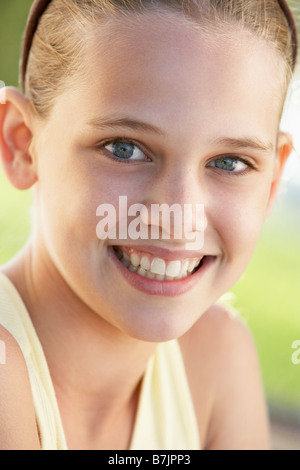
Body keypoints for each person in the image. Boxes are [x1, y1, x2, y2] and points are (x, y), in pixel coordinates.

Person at [0, 0, 297, 450]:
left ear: (272, 179)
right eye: (123, 148)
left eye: (229, 162)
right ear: (23, 145)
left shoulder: (217, 358)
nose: (177, 218)